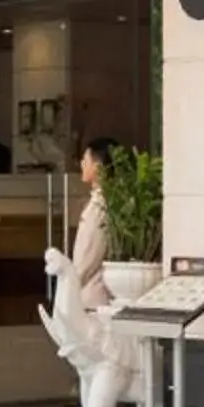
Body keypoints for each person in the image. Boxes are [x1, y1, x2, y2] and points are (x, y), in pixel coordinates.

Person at [65, 136, 118, 319]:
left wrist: (70, 285)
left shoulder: (100, 206)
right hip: (92, 295)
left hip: (93, 299)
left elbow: (88, 254)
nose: (81, 164)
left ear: (98, 166)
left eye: (85, 160)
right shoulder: (105, 201)